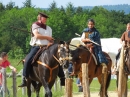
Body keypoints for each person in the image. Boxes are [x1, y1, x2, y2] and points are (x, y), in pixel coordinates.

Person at [18, 12, 65, 87]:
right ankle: (25, 78)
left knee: (56, 59)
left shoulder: (49, 28)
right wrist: (47, 37)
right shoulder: (35, 25)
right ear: (39, 18)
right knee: (28, 59)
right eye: (44, 18)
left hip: (47, 47)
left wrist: (50, 42)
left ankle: (62, 77)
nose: (46, 19)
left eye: (46, 18)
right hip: (37, 47)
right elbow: (37, 36)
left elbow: (51, 39)